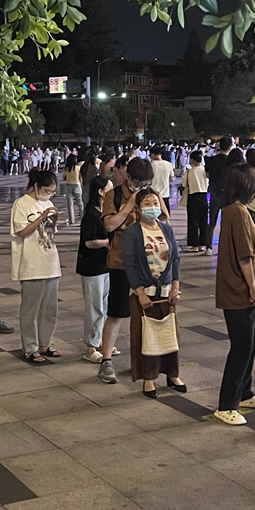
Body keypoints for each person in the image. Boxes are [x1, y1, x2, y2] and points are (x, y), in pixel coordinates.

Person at [98, 157, 165, 384]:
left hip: (148, 264)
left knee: (148, 313)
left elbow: (164, 221)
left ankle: (146, 362)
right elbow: (109, 225)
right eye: (138, 182)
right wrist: (130, 205)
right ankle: (106, 360)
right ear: (128, 177)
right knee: (116, 312)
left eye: (146, 183)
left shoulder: (152, 194)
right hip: (120, 262)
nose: (142, 187)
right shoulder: (114, 195)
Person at [122, 188, 184, 397]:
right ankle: (149, 378)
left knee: (169, 333)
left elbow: (175, 259)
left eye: (155, 203)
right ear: (138, 209)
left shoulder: (167, 229)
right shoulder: (132, 233)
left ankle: (173, 374)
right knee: (146, 335)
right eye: (147, 204)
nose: (153, 207)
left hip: (166, 292)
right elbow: (130, 265)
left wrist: (175, 287)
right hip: (144, 293)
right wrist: (140, 292)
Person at [213, 166, 255, 425]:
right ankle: (227, 404)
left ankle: (244, 391)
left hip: (239, 289)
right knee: (242, 346)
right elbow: (245, 255)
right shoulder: (238, 213)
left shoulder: (235, 210)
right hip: (239, 290)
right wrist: (253, 287)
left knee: (249, 345)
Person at [12, 169, 62, 363]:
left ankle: (45, 344)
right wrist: (42, 217)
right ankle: (30, 347)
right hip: (32, 263)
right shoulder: (21, 204)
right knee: (30, 309)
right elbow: (21, 232)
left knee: (50, 308)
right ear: (36, 186)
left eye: (52, 192)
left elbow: (50, 232)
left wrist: (53, 222)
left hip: (50, 260)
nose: (49, 195)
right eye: (46, 190)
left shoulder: (48, 204)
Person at [78, 175, 112, 363]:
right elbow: (89, 242)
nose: (112, 192)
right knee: (94, 307)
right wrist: (107, 242)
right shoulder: (91, 215)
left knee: (104, 306)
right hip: (92, 267)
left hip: (105, 265)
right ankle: (91, 347)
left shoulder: (105, 212)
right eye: (109, 189)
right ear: (100, 192)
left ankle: (101, 342)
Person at [183, 150, 209, 252]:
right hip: (204, 196)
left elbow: (184, 184)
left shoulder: (190, 171)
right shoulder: (205, 170)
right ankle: (202, 244)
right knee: (203, 221)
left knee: (193, 221)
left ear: (192, 160)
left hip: (193, 196)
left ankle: (194, 245)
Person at [63, 153, 83, 225]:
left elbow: (63, 178)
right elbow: (80, 177)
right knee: (80, 203)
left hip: (68, 185)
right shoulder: (78, 168)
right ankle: (82, 219)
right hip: (77, 185)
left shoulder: (65, 168)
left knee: (70, 204)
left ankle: (71, 220)